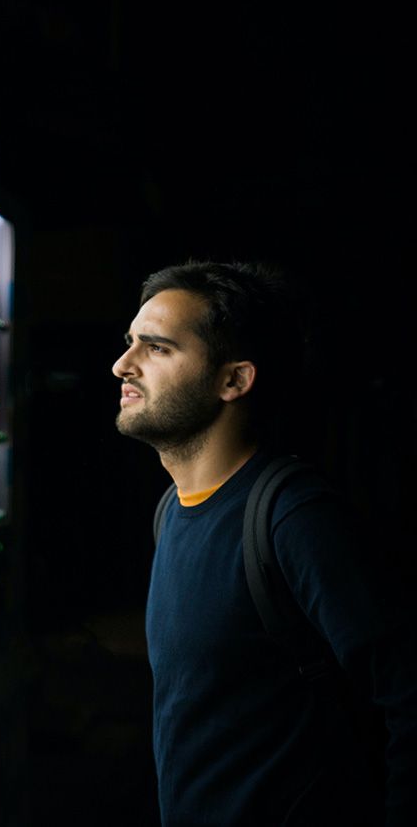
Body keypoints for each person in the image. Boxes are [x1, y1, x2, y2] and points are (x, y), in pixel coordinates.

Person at [111, 260, 416, 825]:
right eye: (130, 343)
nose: (121, 366)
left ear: (234, 380)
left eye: (156, 349)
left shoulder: (293, 517)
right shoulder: (171, 511)